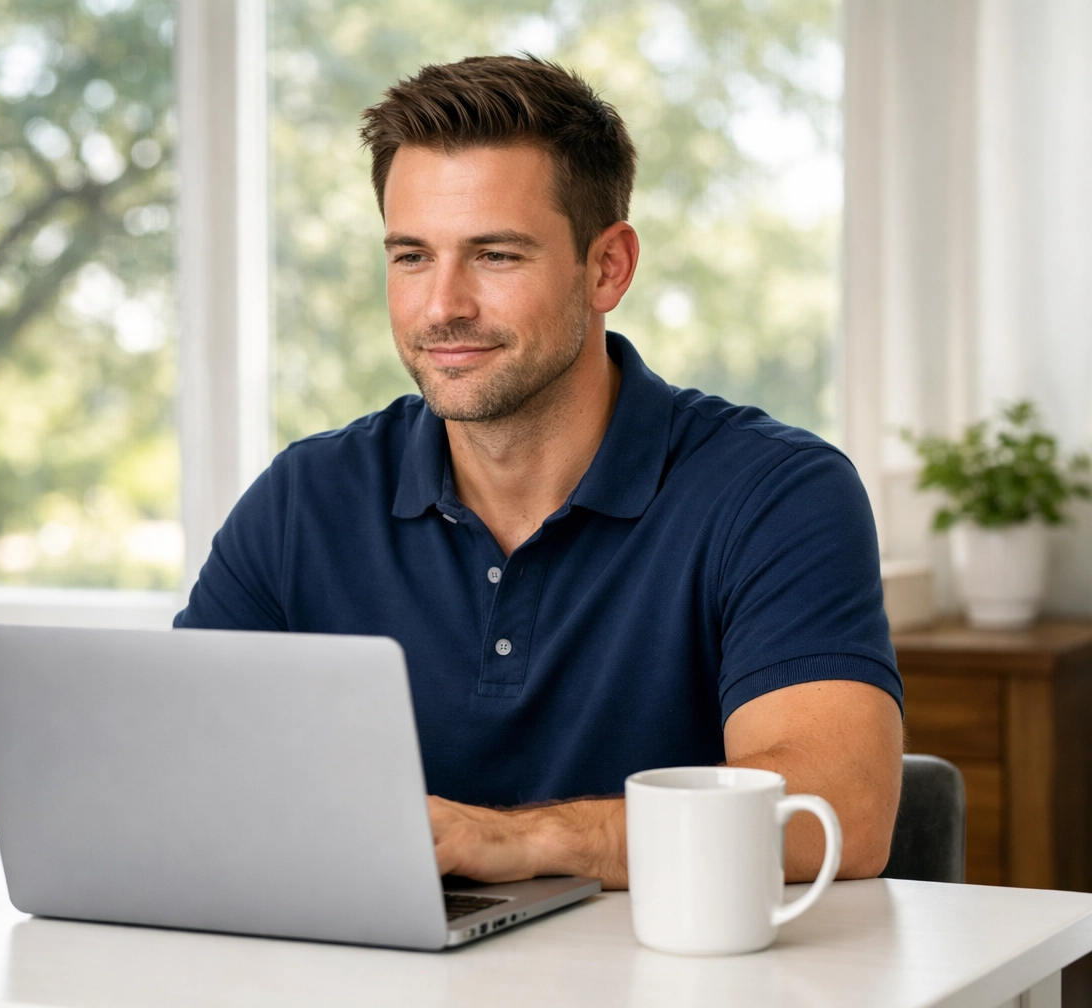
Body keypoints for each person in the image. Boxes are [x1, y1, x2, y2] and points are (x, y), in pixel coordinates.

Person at [174, 55, 902, 889]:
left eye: (496, 256)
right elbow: (181, 772)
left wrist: (534, 843)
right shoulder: (304, 499)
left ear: (608, 269)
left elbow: (842, 811)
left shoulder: (777, 494)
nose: (442, 305)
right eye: (412, 256)